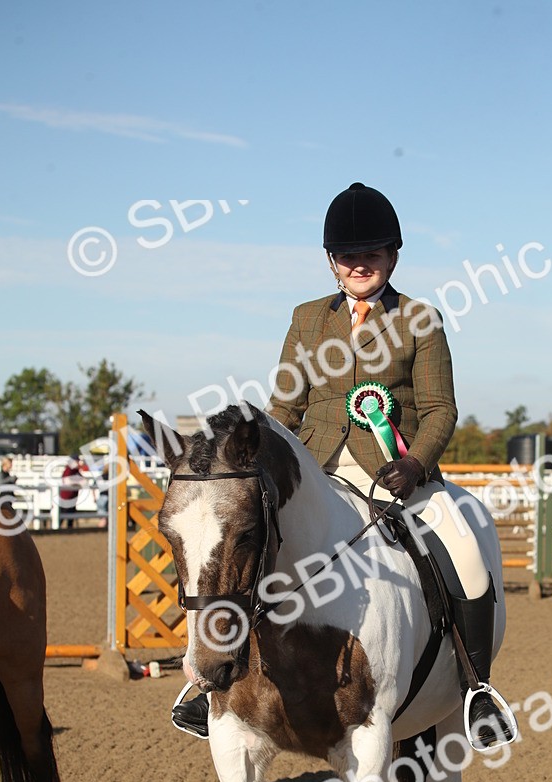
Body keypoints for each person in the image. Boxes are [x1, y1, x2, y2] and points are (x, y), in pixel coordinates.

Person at [173, 182, 510, 748]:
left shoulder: (420, 319)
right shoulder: (307, 319)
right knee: (240, 547)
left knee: (469, 554)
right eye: (349, 257)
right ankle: (209, 685)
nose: (360, 265)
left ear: (392, 257)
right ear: (332, 262)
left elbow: (439, 409)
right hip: (314, 470)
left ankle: (477, 690)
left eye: (371, 255)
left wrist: (417, 464)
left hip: (395, 471)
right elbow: (283, 408)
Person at [58, 455, 87, 529]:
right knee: (62, 516)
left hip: (72, 497)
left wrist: (77, 482)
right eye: (77, 461)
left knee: (70, 517)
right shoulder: (69, 469)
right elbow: (67, 481)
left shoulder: (75, 470)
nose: (78, 463)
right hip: (66, 497)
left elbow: (84, 481)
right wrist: (78, 482)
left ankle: (68, 530)